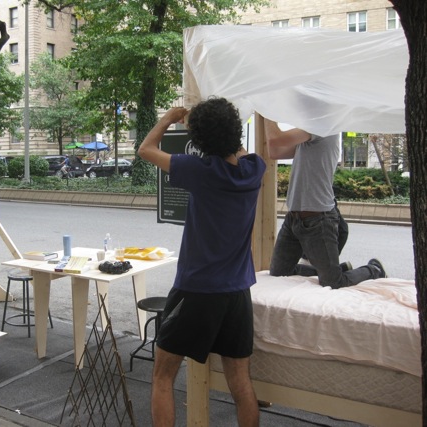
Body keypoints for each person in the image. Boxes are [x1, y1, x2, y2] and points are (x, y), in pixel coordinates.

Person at [138, 97, 266, 427]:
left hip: (196, 291)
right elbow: (238, 152)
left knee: (163, 375)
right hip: (237, 293)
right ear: (236, 132)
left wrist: (169, 117)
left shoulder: (200, 171)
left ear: (200, 141)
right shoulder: (255, 169)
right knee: (241, 383)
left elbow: (146, 150)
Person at [264, 118, 387, 288]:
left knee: (333, 282)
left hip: (318, 219)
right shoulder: (309, 135)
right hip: (294, 218)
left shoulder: (323, 126)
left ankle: (374, 269)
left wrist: (267, 113)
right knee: (279, 272)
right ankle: (335, 269)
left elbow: (275, 139)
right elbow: (274, 152)